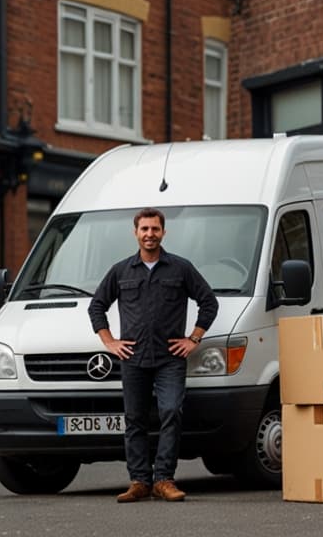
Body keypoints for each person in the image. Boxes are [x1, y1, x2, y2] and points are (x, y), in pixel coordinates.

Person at [88, 207, 219, 503]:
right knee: (135, 419)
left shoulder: (180, 268)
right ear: (135, 233)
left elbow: (208, 302)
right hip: (133, 358)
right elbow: (97, 306)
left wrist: (193, 339)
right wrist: (110, 342)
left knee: (171, 412)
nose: (150, 234)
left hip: (169, 358)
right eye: (144, 229)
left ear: (163, 232)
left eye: (155, 229)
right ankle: (139, 482)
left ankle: (164, 480)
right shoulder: (121, 271)